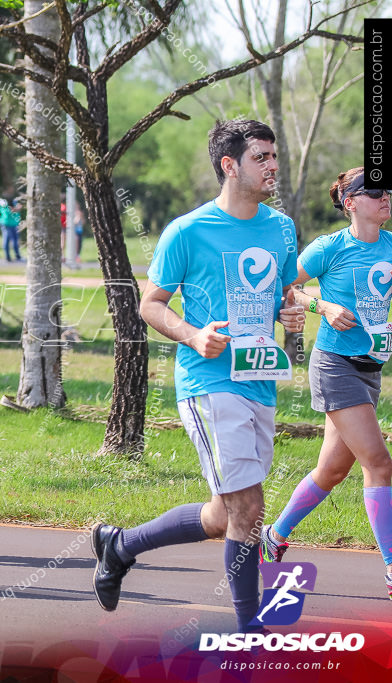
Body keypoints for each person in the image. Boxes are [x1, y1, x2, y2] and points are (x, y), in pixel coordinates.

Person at [92, 119, 305, 632]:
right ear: (230, 166)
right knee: (250, 509)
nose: (273, 166)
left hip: (258, 378)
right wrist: (192, 335)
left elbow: (279, 294)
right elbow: (151, 304)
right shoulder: (187, 231)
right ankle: (250, 632)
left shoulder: (280, 227)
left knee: (223, 515)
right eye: (261, 157)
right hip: (208, 383)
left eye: (274, 156)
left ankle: (119, 546)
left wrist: (289, 311)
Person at [259, 167, 392, 599]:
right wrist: (324, 305)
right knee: (379, 463)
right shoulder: (330, 247)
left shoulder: (390, 247)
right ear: (350, 202)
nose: (385, 196)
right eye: (375, 191)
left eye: (387, 190)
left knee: (332, 471)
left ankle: (274, 535)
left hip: (371, 368)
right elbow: (286, 287)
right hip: (335, 364)